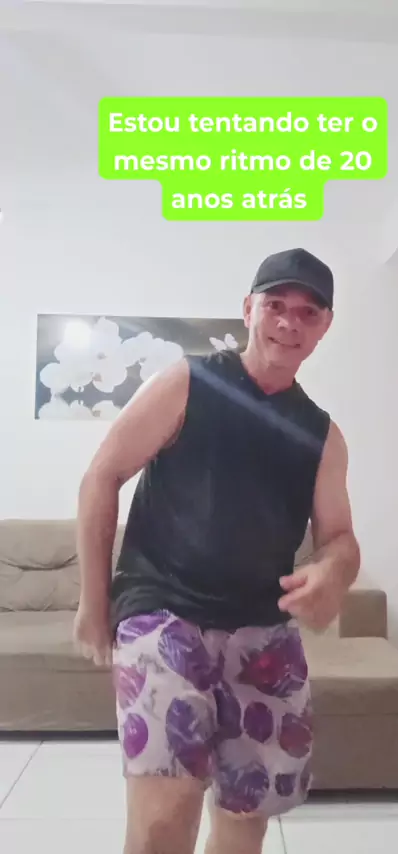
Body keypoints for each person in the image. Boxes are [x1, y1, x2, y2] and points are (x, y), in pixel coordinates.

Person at [73, 246, 361, 854]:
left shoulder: (322, 434)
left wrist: (334, 571)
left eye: (308, 313)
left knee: (246, 814)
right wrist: (92, 602)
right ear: (249, 309)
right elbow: (102, 475)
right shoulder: (188, 383)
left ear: (325, 327)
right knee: (164, 815)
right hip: (164, 610)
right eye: (276, 305)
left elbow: (339, 538)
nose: (289, 322)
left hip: (263, 629)